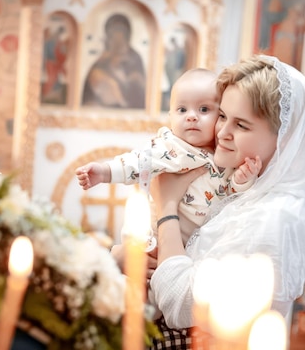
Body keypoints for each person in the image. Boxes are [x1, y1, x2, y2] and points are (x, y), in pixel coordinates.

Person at [113, 54, 305, 350]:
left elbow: (180, 302)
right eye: (223, 116)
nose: (222, 132)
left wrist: (167, 205)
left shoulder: (276, 216)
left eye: (241, 125)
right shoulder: (245, 186)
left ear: (284, 138)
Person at [75, 68, 261, 246]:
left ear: (220, 114)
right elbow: (139, 163)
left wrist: (242, 180)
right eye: (182, 110)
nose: (191, 117)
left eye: (204, 109)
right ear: (171, 115)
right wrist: (104, 172)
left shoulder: (224, 154)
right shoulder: (171, 146)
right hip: (161, 231)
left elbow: (231, 195)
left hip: (201, 237)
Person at [81, 13, 146, 109]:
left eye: (121, 35)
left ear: (127, 36)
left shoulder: (135, 58)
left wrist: (136, 79)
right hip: (103, 108)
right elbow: (89, 91)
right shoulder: (103, 58)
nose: (118, 42)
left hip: (130, 109)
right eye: (114, 36)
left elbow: (141, 89)